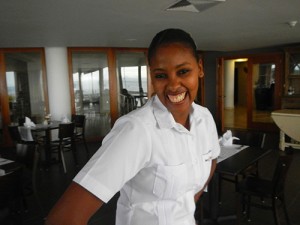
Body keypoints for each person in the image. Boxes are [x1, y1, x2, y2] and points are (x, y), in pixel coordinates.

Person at [45, 28, 220, 225]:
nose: (173, 85)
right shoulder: (137, 130)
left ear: (200, 68)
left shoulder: (204, 119)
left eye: (183, 71)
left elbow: (211, 158)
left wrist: (188, 202)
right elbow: (63, 218)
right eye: (161, 75)